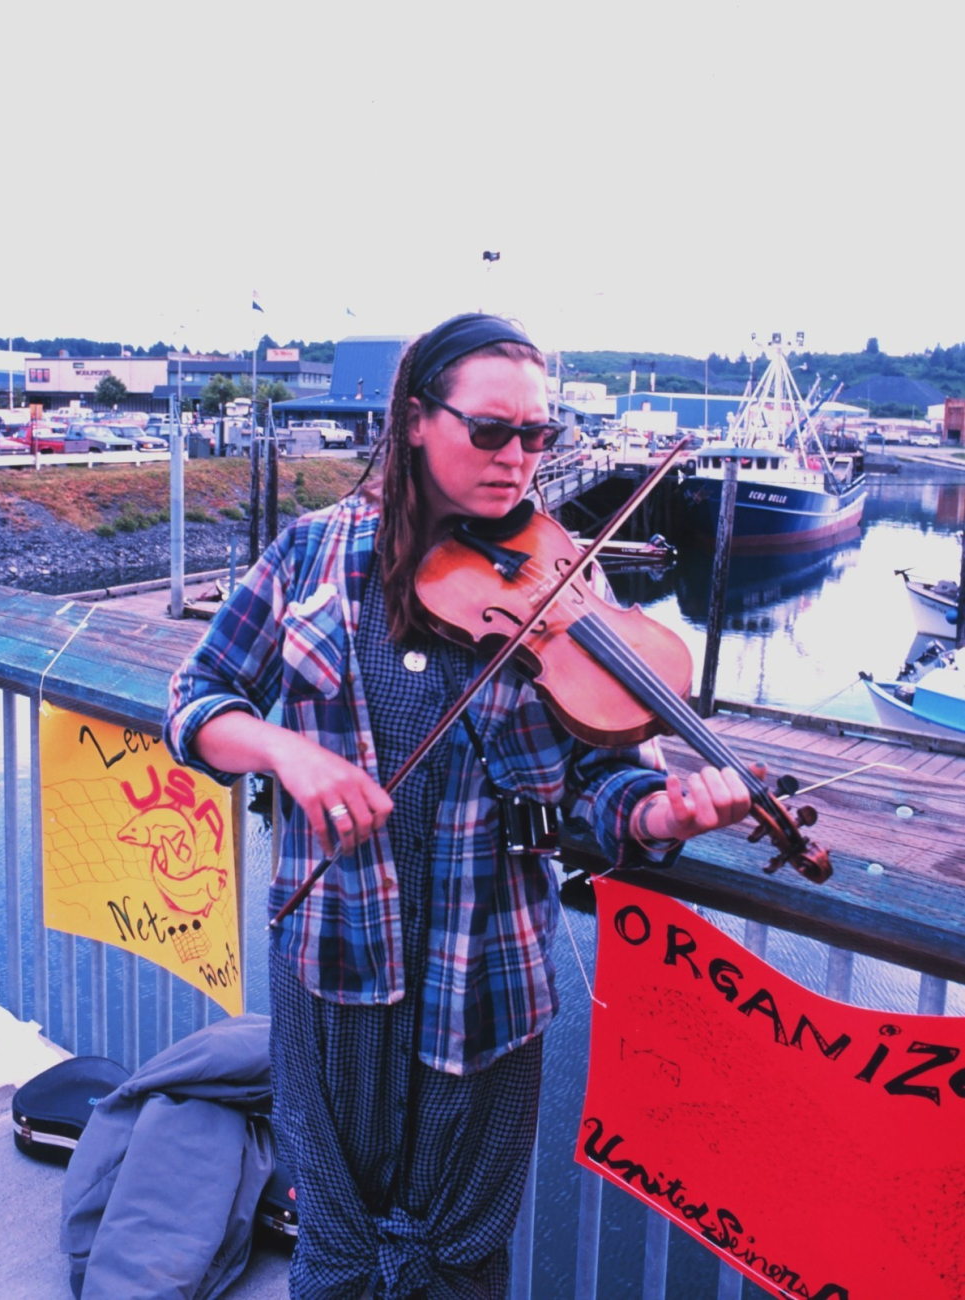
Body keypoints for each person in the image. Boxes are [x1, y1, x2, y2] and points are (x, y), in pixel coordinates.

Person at [164, 313, 753, 1299]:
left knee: (457, 1262)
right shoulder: (310, 556)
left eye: (539, 435)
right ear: (414, 419)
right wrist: (283, 752)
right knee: (338, 1251)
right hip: (334, 965)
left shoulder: (571, 578)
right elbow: (196, 700)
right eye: (491, 430)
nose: (519, 458)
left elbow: (596, 789)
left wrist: (662, 816)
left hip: (485, 986)